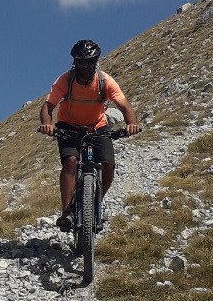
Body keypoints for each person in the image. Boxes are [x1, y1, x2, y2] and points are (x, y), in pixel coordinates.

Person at [39, 39, 139, 231]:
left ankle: (95, 201)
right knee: (70, 161)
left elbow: (125, 106)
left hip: (97, 126)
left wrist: (131, 124)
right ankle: (66, 212)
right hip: (68, 126)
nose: (85, 66)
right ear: (74, 61)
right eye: (80, 61)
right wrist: (47, 124)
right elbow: (48, 106)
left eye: (90, 61)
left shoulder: (105, 81)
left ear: (96, 62)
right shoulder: (65, 81)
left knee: (108, 165)